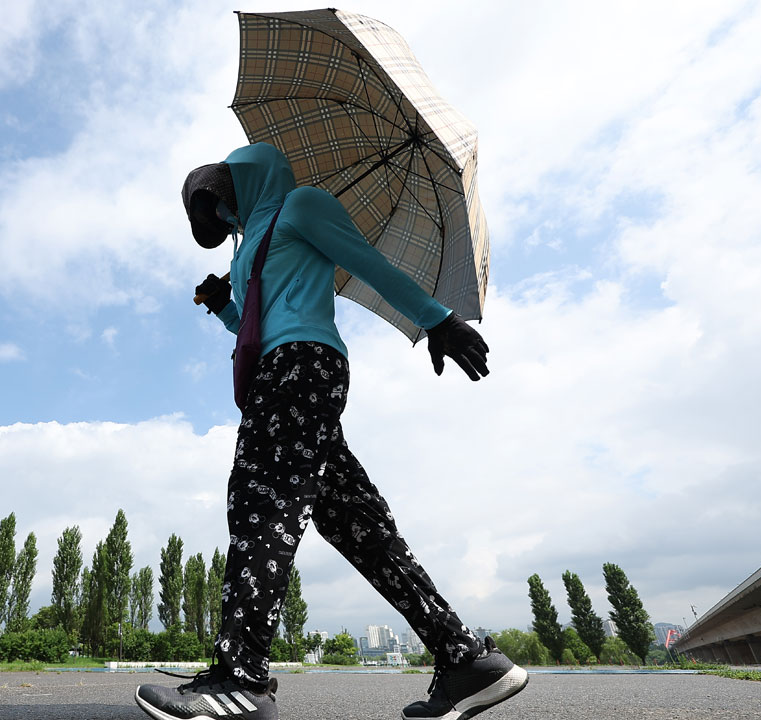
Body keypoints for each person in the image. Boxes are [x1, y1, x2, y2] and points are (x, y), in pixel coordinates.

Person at [134, 143, 527, 720]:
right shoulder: (255, 241)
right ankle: (465, 659)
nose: (219, 220)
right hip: (284, 368)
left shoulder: (302, 205)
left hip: (301, 367)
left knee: (261, 501)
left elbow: (368, 264)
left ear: (239, 180)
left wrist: (437, 318)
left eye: (218, 205)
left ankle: (239, 677)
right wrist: (224, 304)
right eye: (208, 216)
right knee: (357, 524)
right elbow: (258, 327)